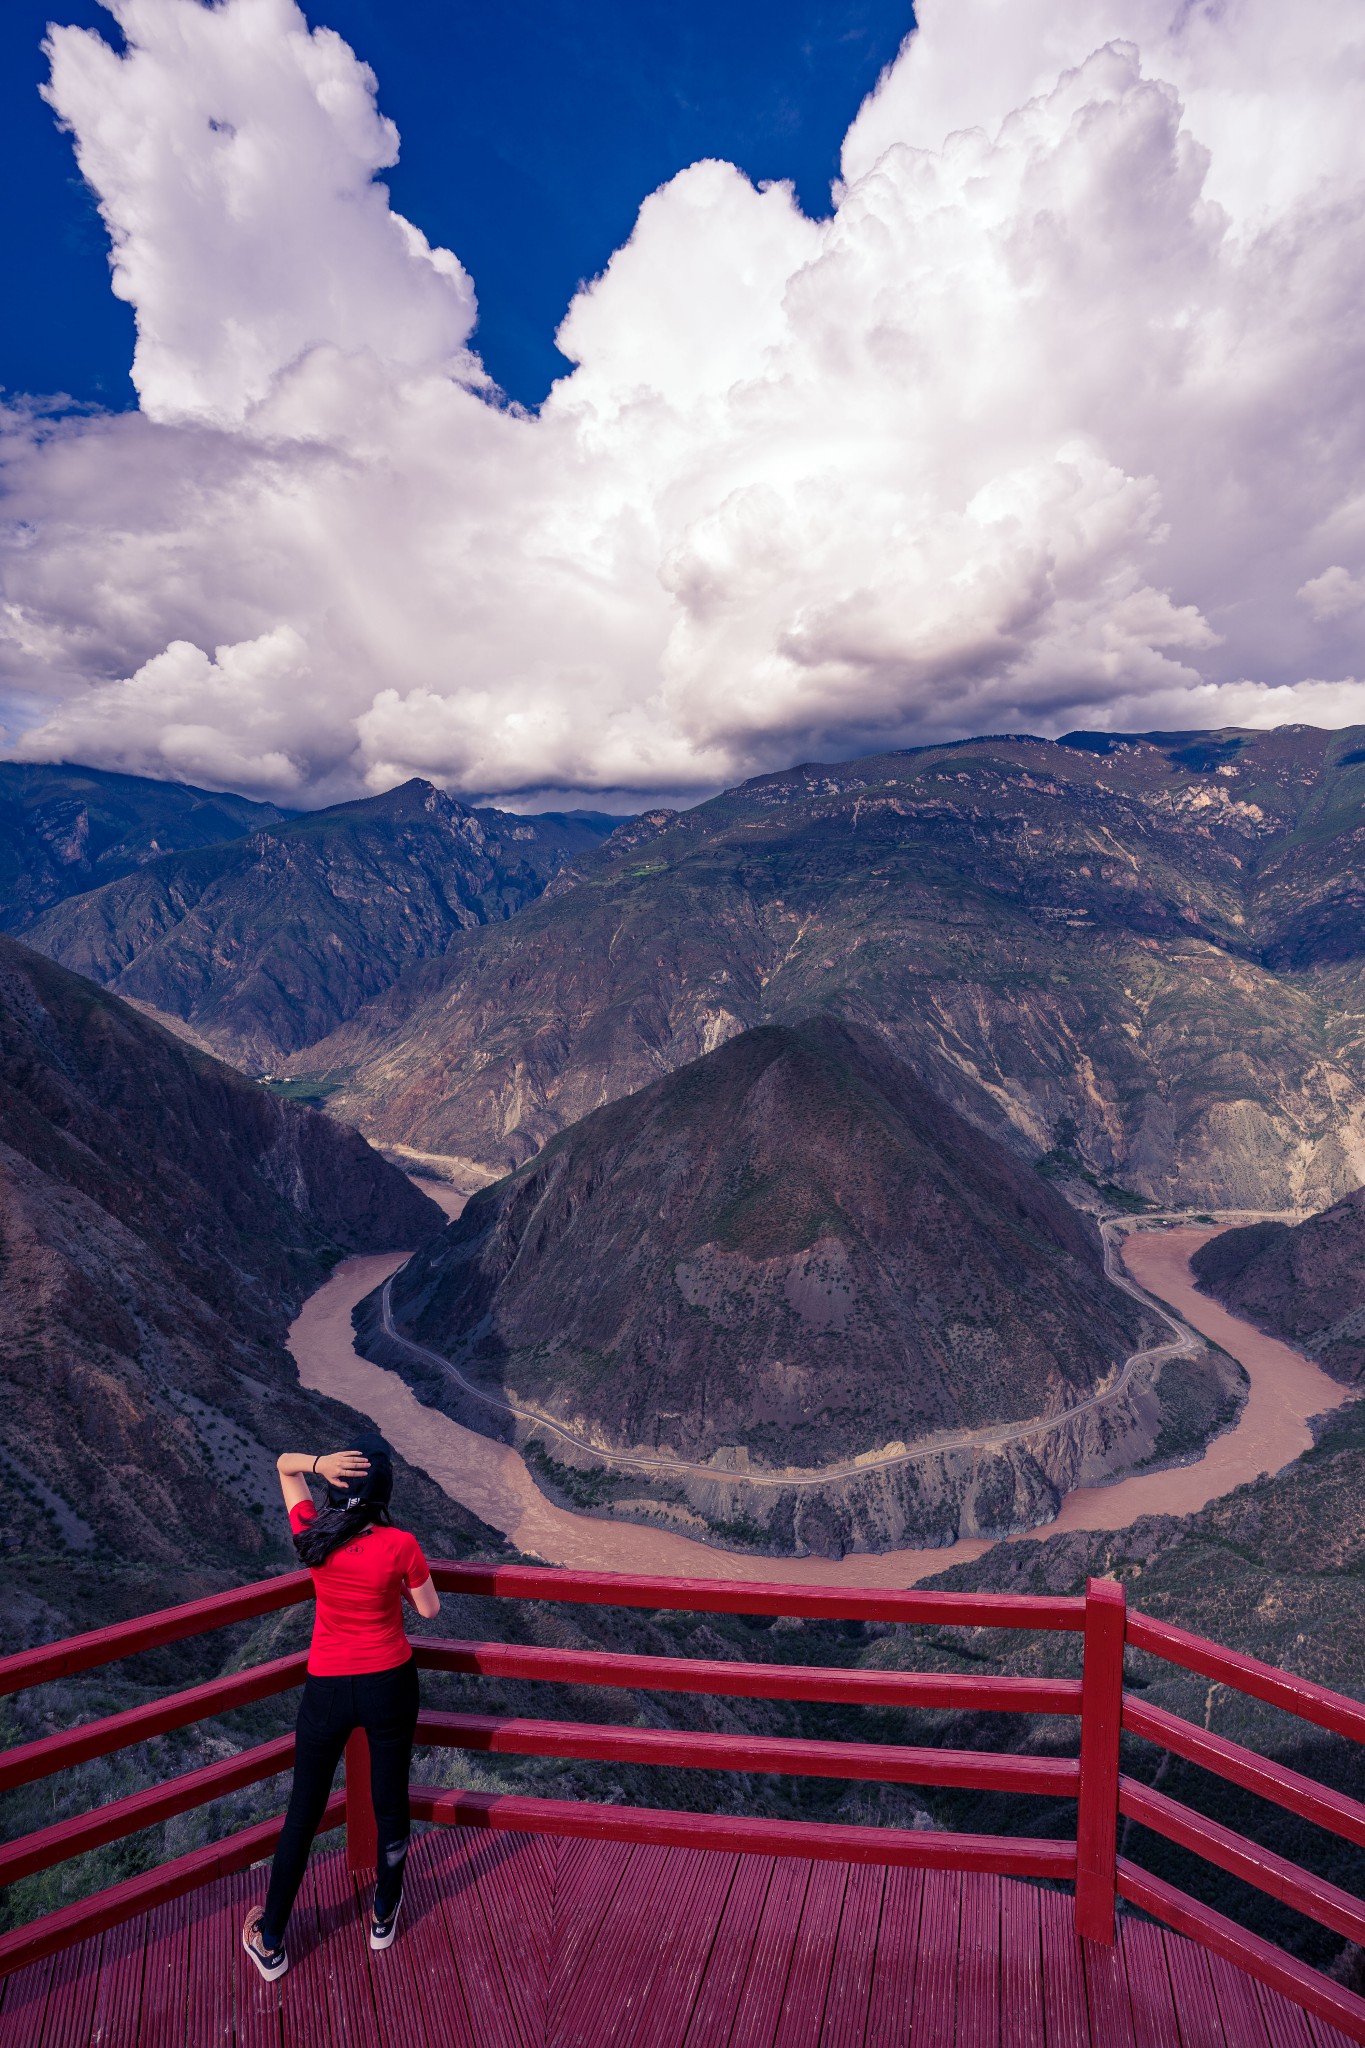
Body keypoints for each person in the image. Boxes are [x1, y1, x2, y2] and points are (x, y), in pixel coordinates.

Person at [241, 1432, 440, 1981]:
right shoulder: (402, 1545)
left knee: (303, 1812)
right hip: (389, 1684)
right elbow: (429, 1611)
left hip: (327, 1688)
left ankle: (274, 1939)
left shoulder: (313, 1536)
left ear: (334, 1487)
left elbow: (282, 1466)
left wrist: (315, 1464)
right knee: (390, 1802)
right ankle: (382, 1917)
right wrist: (393, 1585)